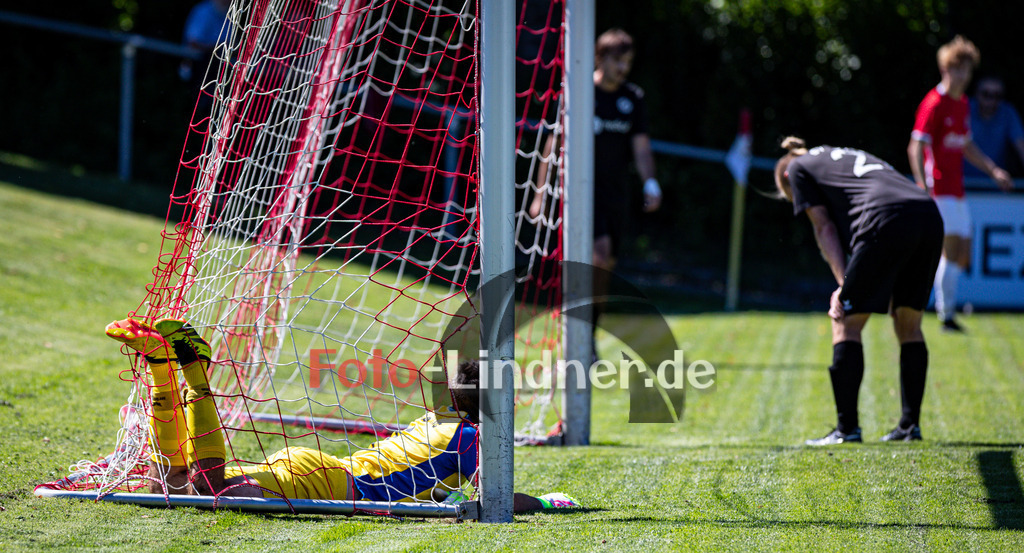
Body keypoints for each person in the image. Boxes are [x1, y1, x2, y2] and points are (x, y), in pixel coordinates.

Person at [105, 318, 579, 512]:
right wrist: (545, 502)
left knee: (172, 484)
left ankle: (161, 367)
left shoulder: (434, 423)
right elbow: (496, 500)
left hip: (319, 469)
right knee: (209, 487)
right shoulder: (471, 441)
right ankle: (193, 367)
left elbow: (429, 482)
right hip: (330, 484)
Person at [774, 138, 944, 444]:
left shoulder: (796, 169)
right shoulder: (835, 156)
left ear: (786, 179)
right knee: (909, 324)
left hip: (887, 215)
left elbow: (824, 227)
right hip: (928, 213)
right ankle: (909, 427)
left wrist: (843, 284)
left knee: (844, 320)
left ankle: (847, 429)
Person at [529, 28, 661, 331]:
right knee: (598, 257)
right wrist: (539, 195)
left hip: (616, 192)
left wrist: (650, 183)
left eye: (628, 62)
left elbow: (641, 148)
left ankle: (589, 330)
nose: (623, 68)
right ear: (600, 57)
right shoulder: (579, 92)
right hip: (581, 190)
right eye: (617, 60)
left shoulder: (633, 98)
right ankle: (576, 324)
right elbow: (553, 144)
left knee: (607, 264)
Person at [907, 35, 1013, 333]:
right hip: (939, 189)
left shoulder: (963, 103)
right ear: (945, 68)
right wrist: (921, 184)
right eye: (957, 68)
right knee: (951, 250)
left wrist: (993, 170)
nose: (963, 75)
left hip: (958, 190)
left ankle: (942, 308)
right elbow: (915, 146)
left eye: (967, 69)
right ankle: (946, 314)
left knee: (962, 254)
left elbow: (966, 145)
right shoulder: (934, 103)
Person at [966, 75, 1024, 180]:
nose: (991, 100)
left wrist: (994, 172)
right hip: (963, 182)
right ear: (977, 93)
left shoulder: (1008, 113)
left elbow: (1021, 144)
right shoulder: (964, 108)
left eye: (997, 96)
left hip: (996, 184)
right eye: (986, 94)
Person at [179, 0, 231, 87]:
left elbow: (229, 43)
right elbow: (193, 42)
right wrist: (216, 48)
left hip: (219, 67)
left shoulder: (228, 14)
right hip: (198, 64)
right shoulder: (204, 11)